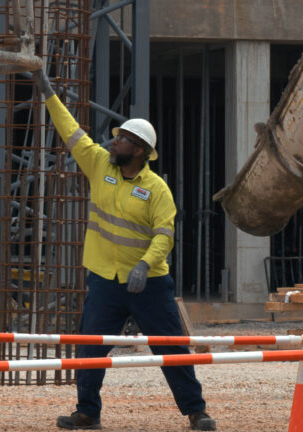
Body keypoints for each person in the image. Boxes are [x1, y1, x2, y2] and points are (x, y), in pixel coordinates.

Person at [32, 71, 216, 431]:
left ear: (140, 150)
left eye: (121, 140)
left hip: (149, 284)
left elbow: (165, 235)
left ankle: (197, 412)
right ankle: (87, 412)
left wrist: (145, 265)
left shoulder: (157, 189)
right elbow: (73, 135)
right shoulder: (101, 165)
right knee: (89, 350)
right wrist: (49, 95)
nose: (113, 143)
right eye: (115, 139)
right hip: (104, 280)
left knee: (172, 349)